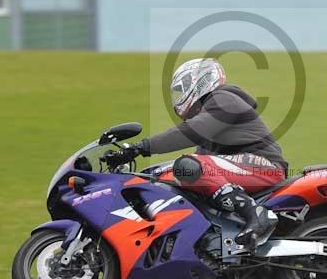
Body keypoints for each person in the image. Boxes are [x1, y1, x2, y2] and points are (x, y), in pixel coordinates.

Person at [123, 58, 288, 249]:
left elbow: (191, 132)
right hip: (244, 167)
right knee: (177, 172)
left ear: (201, 80)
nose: (180, 95)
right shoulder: (212, 114)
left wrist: (141, 147)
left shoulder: (223, 99)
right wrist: (148, 176)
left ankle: (257, 213)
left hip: (263, 165)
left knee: (187, 166)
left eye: (183, 87)